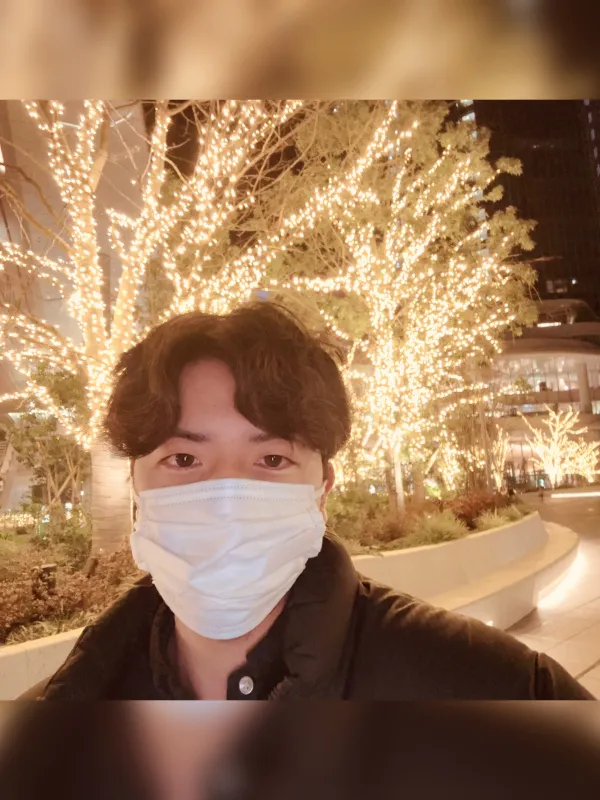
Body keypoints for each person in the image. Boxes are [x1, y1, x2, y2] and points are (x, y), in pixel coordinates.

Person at [22, 302, 592, 699]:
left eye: (271, 460)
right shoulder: (61, 719)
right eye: (185, 459)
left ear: (322, 491)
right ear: (136, 487)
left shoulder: (489, 690)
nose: (225, 501)